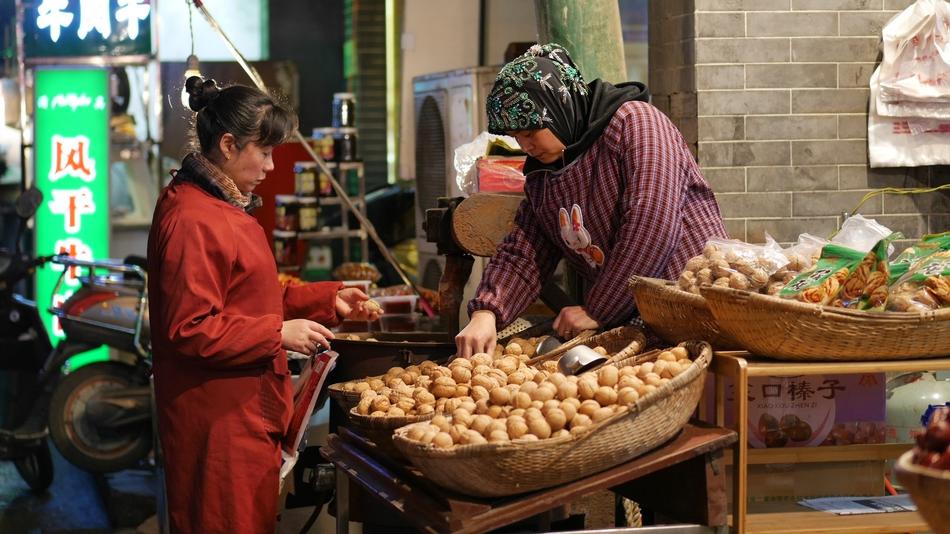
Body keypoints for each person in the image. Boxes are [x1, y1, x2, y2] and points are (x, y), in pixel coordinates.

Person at [147, 76, 379, 533]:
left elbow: (251, 296)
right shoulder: (193, 217)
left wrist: (327, 299)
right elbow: (189, 329)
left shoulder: (221, 206)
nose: (272, 166)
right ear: (229, 145)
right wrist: (275, 334)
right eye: (265, 151)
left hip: (241, 413)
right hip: (217, 423)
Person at [456, 43, 728, 358]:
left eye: (531, 131)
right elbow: (525, 250)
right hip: (629, 322)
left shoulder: (637, 124)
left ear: (560, 107)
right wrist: (486, 312)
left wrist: (599, 309)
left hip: (692, 309)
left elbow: (652, 222)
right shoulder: (545, 176)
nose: (525, 145)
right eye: (517, 137)